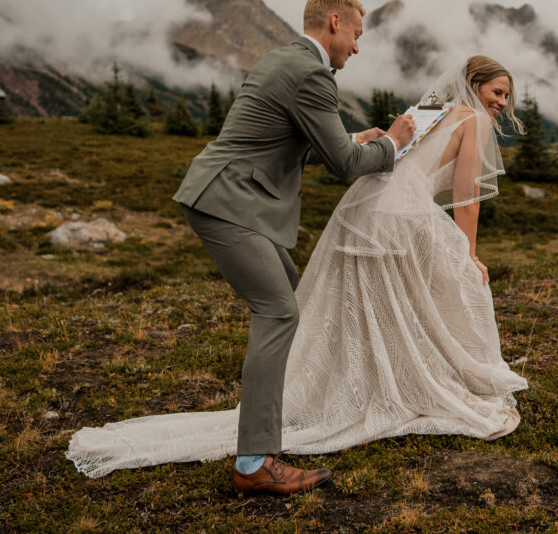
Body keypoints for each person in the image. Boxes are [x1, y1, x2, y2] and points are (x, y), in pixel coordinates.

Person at [66, 55, 526, 494]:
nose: (501, 103)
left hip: (365, 211)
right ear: (474, 83)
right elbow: (466, 198)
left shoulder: (432, 109)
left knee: (393, 304)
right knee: (461, 288)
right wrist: (468, 254)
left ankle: (395, 379)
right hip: (399, 218)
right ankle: (440, 384)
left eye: (507, 96)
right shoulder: (474, 119)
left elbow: (393, 155)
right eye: (497, 91)